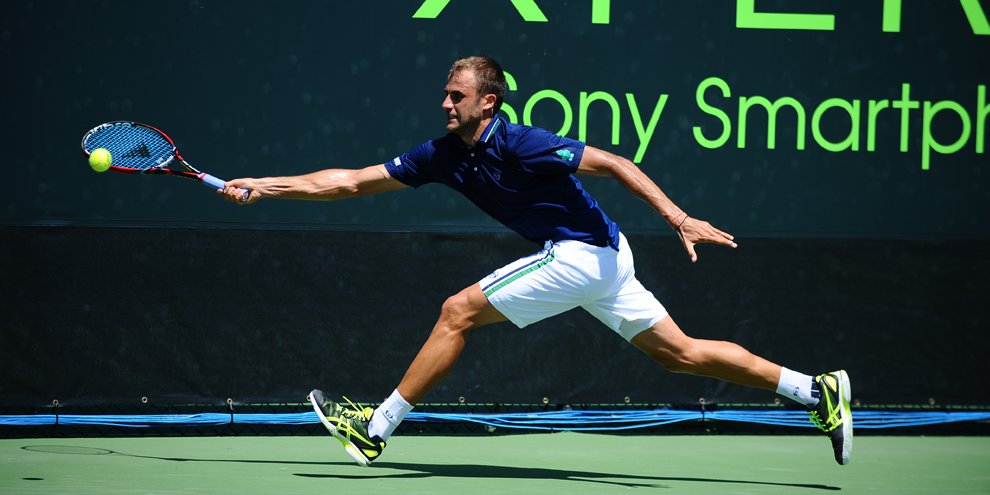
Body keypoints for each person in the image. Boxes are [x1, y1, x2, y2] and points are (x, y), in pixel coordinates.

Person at [220, 55, 852, 467]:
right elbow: (353, 182)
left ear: (488, 102)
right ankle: (816, 391)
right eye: (444, 94)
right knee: (679, 353)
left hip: (584, 254)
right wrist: (265, 184)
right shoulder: (442, 154)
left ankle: (375, 429)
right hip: (602, 257)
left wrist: (678, 217)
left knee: (456, 312)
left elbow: (613, 163)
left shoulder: (520, 142)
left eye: (457, 96)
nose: (446, 104)